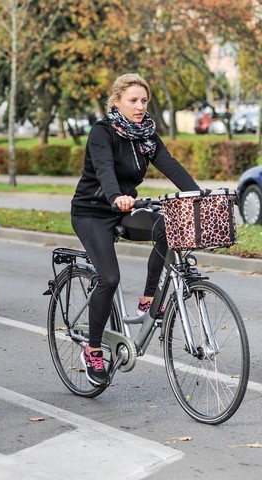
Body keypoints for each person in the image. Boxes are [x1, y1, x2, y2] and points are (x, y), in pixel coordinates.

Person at [71, 73, 200, 386]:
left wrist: (197, 194)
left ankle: (148, 297)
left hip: (124, 208)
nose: (140, 106)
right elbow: (103, 168)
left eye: (144, 100)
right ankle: (93, 349)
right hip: (93, 211)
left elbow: (169, 164)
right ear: (117, 101)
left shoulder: (146, 135)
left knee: (170, 226)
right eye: (133, 100)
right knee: (109, 278)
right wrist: (115, 196)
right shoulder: (103, 131)